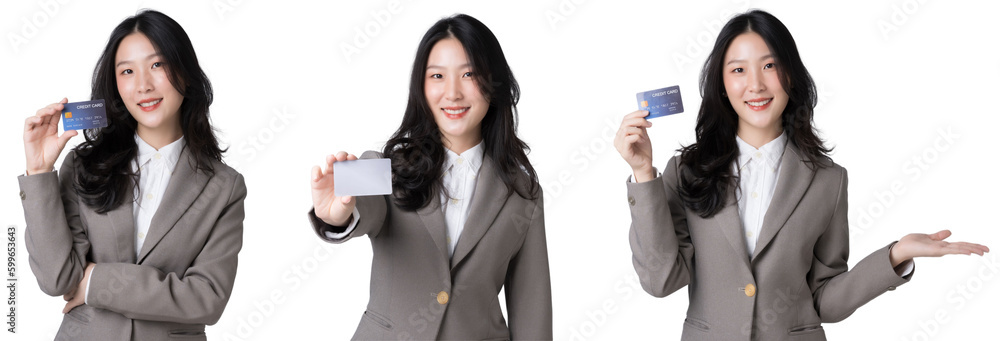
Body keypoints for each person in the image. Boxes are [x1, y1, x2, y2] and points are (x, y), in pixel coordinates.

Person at [614, 9, 989, 340]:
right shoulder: (688, 171)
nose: (756, 84)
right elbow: (661, 280)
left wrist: (895, 255)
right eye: (739, 69)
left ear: (790, 75)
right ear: (722, 85)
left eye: (770, 65)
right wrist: (643, 172)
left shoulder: (828, 180)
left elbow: (824, 300)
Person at [308, 14, 552, 340]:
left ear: (493, 85)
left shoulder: (524, 192)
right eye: (437, 75)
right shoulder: (383, 166)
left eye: (469, 74)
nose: (452, 93)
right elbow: (356, 209)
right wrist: (335, 215)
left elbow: (532, 309)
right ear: (421, 87)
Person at [18, 10, 245, 341]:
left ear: (185, 71)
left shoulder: (224, 186)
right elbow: (57, 279)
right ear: (116, 85)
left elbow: (206, 300)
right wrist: (39, 172)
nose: (143, 85)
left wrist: (97, 281)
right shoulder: (83, 166)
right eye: (127, 71)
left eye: (157, 65)